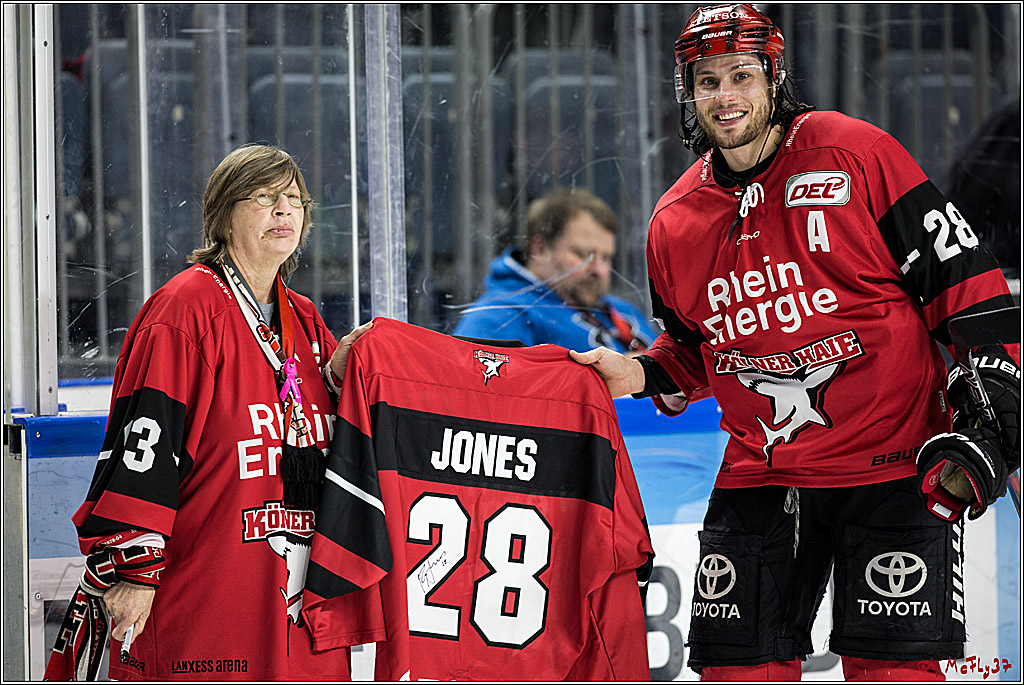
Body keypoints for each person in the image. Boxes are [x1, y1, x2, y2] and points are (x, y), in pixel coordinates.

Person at [571, 4, 1020, 682]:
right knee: (737, 670)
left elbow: (965, 282)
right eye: (708, 80)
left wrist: (999, 397)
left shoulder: (856, 152)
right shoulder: (673, 223)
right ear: (687, 92)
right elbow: (696, 351)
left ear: (773, 79)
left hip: (891, 465)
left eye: (742, 77)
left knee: (891, 671)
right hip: (763, 471)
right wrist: (634, 372)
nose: (725, 97)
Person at [44, 144, 371, 681]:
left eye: (294, 199)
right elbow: (145, 441)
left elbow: (323, 441)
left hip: (290, 610)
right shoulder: (184, 312)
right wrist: (134, 571)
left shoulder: (306, 321)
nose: (284, 211)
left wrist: (337, 381)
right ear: (222, 215)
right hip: (204, 598)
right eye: (264, 198)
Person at [452, 187, 657, 353]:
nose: (598, 270)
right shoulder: (500, 316)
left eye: (606, 258)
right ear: (540, 249)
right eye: (583, 254)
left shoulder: (625, 310)